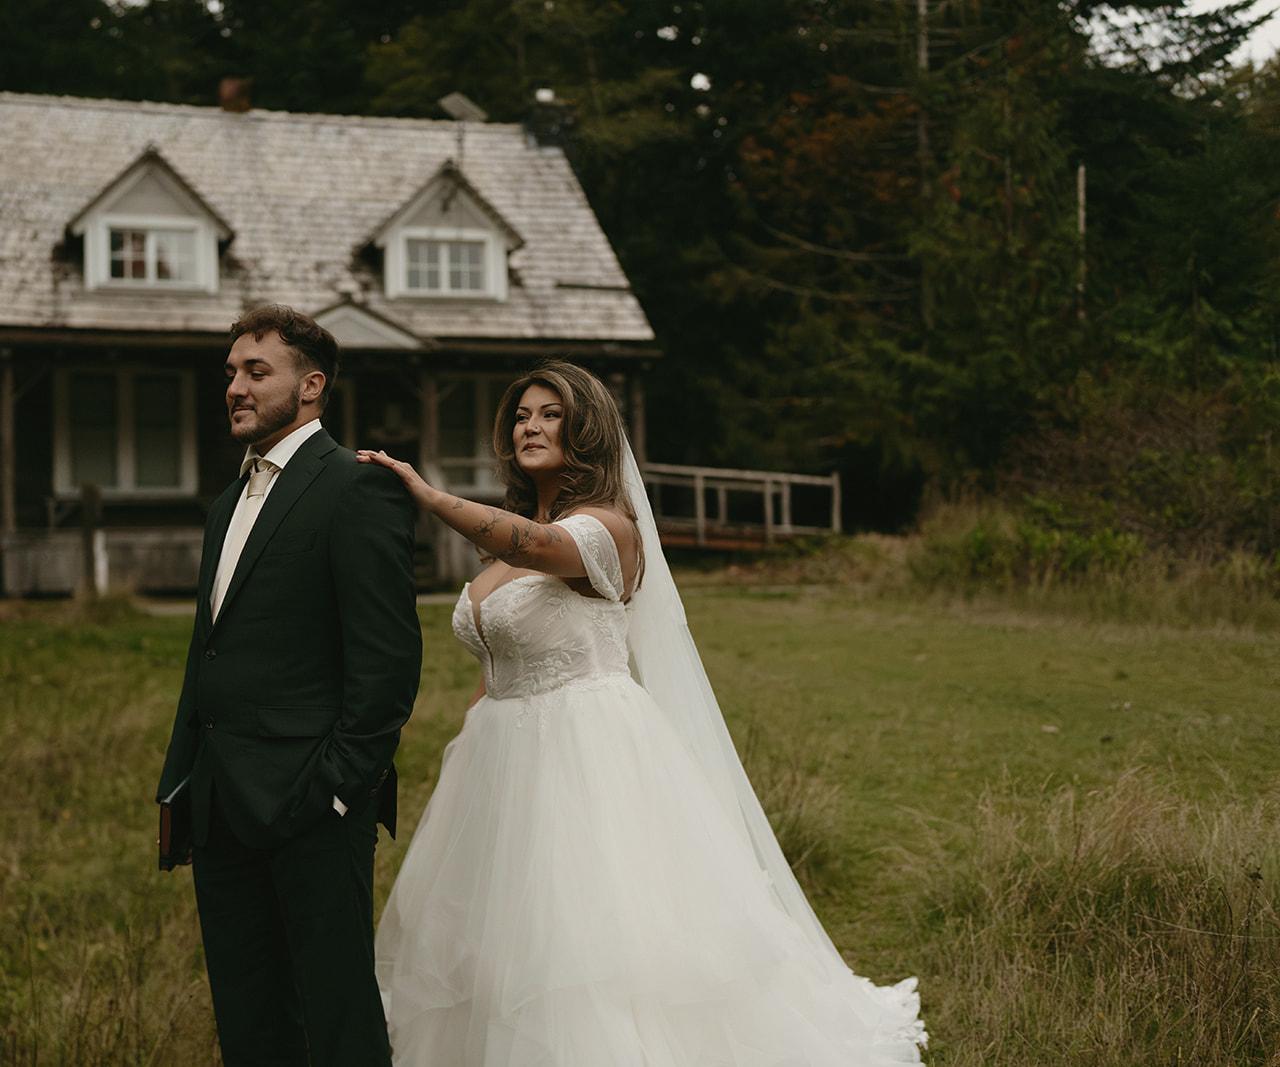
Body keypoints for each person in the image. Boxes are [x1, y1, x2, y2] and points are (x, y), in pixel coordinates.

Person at [362, 361, 928, 1065]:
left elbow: (538, 547)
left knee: (593, 931)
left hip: (586, 751)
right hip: (500, 756)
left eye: (550, 414)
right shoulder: (507, 539)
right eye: (521, 415)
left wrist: (426, 494)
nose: (529, 425)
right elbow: (497, 659)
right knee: (507, 932)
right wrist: (475, 735)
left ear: (587, 428)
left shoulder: (606, 528)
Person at [156, 304, 423, 1067]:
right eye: (231, 373)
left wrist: (339, 790)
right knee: (250, 1019)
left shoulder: (355, 489)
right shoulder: (222, 507)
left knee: (336, 1016)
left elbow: (388, 661)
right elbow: (203, 658)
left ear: (310, 386)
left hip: (313, 803)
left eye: (255, 371)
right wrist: (181, 783)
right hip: (221, 806)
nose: (235, 387)